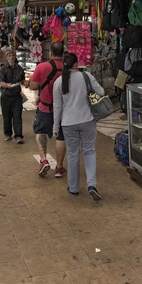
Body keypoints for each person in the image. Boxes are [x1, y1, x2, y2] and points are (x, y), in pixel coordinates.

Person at [53, 52, 105, 201]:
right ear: (76, 64)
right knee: (89, 151)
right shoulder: (86, 76)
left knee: (72, 154)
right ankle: (91, 185)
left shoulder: (59, 82)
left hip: (68, 123)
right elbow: (101, 92)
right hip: (87, 119)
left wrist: (55, 128)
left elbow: (57, 107)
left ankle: (74, 187)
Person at [30, 42, 66, 178]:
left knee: (40, 131)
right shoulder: (68, 68)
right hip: (63, 109)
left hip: (45, 107)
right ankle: (59, 167)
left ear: (50, 53)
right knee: (61, 136)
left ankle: (44, 159)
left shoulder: (42, 67)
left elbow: (33, 86)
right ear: (63, 53)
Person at [0, 50, 25, 143]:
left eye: (13, 55)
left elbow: (23, 80)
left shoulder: (20, 69)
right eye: (9, 56)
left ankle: (18, 135)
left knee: (17, 116)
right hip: (6, 96)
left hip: (17, 96)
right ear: (6, 58)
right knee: (7, 116)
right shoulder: (3, 69)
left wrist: (26, 83)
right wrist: (8, 85)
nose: (11, 57)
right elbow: (1, 83)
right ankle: (8, 133)